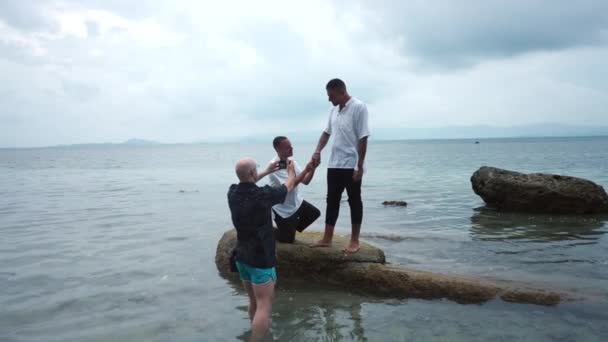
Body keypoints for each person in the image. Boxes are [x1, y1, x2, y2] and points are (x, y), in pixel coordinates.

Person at [227, 157, 313, 341]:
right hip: (260, 258)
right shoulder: (263, 196)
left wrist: (265, 171)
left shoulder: (232, 192)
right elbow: (288, 187)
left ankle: (257, 334)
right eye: (255, 170)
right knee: (264, 305)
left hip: (241, 255)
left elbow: (247, 183)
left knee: (253, 301)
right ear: (252, 173)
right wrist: (290, 172)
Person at [310, 78, 370, 253]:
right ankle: (327, 238)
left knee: (354, 201)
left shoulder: (359, 107)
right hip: (334, 163)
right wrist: (317, 151)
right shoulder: (333, 110)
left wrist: (360, 165)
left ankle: (354, 241)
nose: (329, 99)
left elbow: (363, 137)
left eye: (331, 95)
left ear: (341, 91)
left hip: (351, 164)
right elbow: (326, 133)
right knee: (332, 200)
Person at [267, 136, 321, 243]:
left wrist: (313, 168)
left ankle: (290, 227)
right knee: (287, 240)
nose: (291, 148)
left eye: (291, 146)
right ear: (278, 150)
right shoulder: (275, 166)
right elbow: (289, 187)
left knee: (314, 213)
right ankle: (268, 230)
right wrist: (306, 170)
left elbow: (305, 181)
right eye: (287, 147)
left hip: (295, 203)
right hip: (282, 209)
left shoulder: (291, 162)